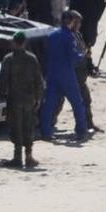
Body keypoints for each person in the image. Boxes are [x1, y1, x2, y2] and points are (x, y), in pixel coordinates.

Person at [39, 9, 91, 142]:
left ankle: (46, 132)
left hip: (52, 74)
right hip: (66, 74)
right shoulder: (69, 37)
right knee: (77, 103)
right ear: (70, 21)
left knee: (49, 104)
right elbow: (73, 57)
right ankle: (81, 131)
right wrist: (84, 55)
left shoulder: (51, 35)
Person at [0, 30, 44, 169]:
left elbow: (2, 80)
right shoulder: (32, 58)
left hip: (14, 99)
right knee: (28, 127)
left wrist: (2, 95)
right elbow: (38, 80)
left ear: (14, 42)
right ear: (24, 42)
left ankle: (17, 157)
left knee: (15, 127)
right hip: (29, 99)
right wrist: (39, 98)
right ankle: (29, 156)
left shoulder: (8, 59)